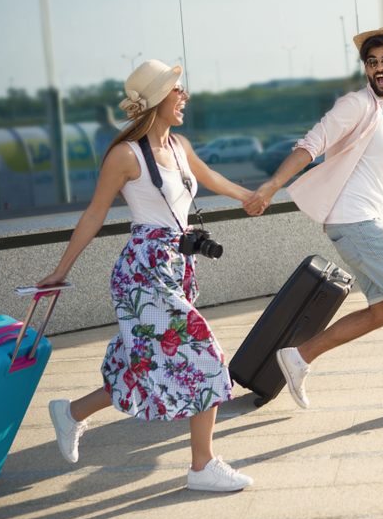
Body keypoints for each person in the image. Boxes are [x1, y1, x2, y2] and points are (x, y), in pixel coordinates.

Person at [36, 59, 255, 492]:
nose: (185, 96)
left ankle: (71, 412)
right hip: (143, 272)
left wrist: (250, 196)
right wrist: (60, 271)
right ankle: (202, 466)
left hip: (177, 264)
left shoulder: (178, 146)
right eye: (177, 90)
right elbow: (95, 213)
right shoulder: (125, 154)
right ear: (156, 100)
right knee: (205, 356)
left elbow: (207, 176)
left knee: (141, 363)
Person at [244, 28, 383, 418]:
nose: (378, 69)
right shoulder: (355, 105)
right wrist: (272, 185)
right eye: (371, 62)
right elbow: (310, 144)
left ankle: (298, 356)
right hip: (353, 218)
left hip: (368, 220)